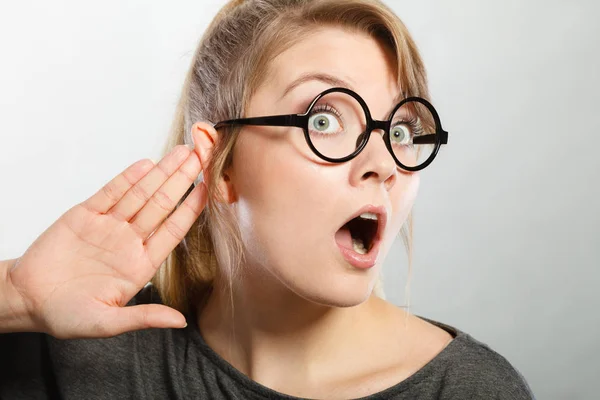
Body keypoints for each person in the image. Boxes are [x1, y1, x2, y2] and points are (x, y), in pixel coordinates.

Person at [0, 0, 536, 398]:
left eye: (398, 129)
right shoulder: (81, 354)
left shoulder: (471, 390)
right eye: (323, 119)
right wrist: (15, 295)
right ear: (221, 165)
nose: (383, 162)